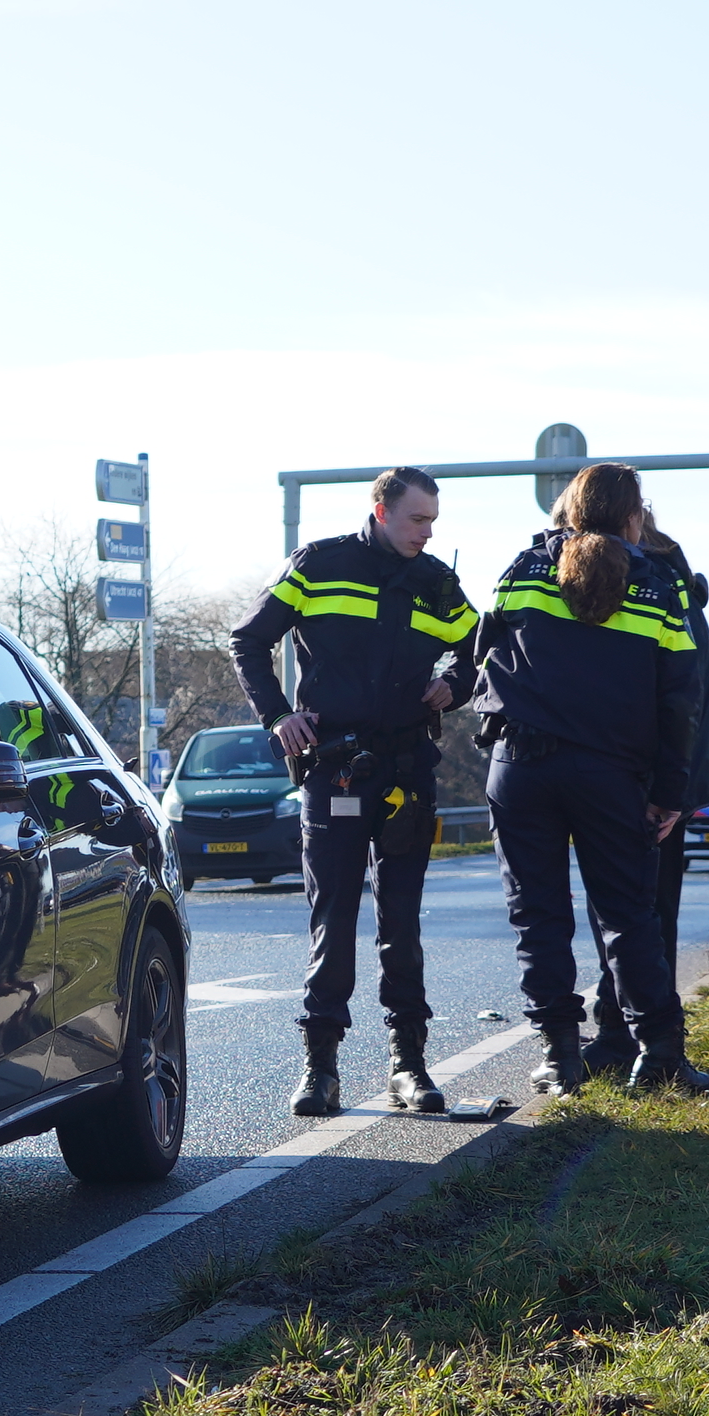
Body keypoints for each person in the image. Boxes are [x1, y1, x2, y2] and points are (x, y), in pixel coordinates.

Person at [231, 465, 478, 1117]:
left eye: (432, 522)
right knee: (334, 919)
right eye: (417, 519)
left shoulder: (435, 581)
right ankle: (321, 1070)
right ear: (381, 511)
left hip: (407, 775)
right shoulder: (320, 563)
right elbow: (249, 639)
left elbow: (478, 649)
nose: (426, 533)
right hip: (335, 769)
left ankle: (409, 1066)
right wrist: (277, 715)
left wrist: (456, 683)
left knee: (401, 921)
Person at [475, 462, 709, 1095]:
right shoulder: (660, 586)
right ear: (634, 517)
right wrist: (669, 794)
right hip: (609, 774)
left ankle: (560, 1058)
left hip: (520, 768)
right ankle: (659, 1055)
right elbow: (680, 701)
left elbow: (484, 655)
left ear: (569, 512)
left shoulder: (524, 570)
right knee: (629, 917)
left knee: (538, 917)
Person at [586, 504, 709, 1081]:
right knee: (643, 908)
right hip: (661, 774)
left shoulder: (646, 586)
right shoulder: (678, 588)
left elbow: (663, 698)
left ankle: (633, 1036)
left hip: (641, 776)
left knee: (631, 912)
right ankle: (642, 1034)